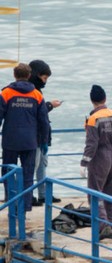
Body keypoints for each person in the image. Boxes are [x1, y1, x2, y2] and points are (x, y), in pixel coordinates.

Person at [0, 63, 50, 212]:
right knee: (28, 175)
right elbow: (44, 122)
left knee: (8, 172)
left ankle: (12, 203)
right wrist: (44, 141)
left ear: (14, 75)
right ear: (29, 76)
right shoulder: (36, 94)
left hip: (10, 141)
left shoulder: (6, 93)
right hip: (30, 142)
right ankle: (25, 206)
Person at [80, 85, 112, 240]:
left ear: (92, 101)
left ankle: (103, 225)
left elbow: (91, 144)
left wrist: (84, 162)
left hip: (99, 157)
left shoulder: (93, 119)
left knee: (94, 193)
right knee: (110, 193)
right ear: (105, 98)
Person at [28, 60, 63, 206]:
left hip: (42, 136)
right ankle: (28, 195)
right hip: (34, 136)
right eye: (44, 78)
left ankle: (43, 194)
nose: (45, 82)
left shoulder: (37, 91)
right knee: (32, 167)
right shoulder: (32, 92)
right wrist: (50, 105)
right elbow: (37, 112)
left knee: (42, 165)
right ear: (37, 75)